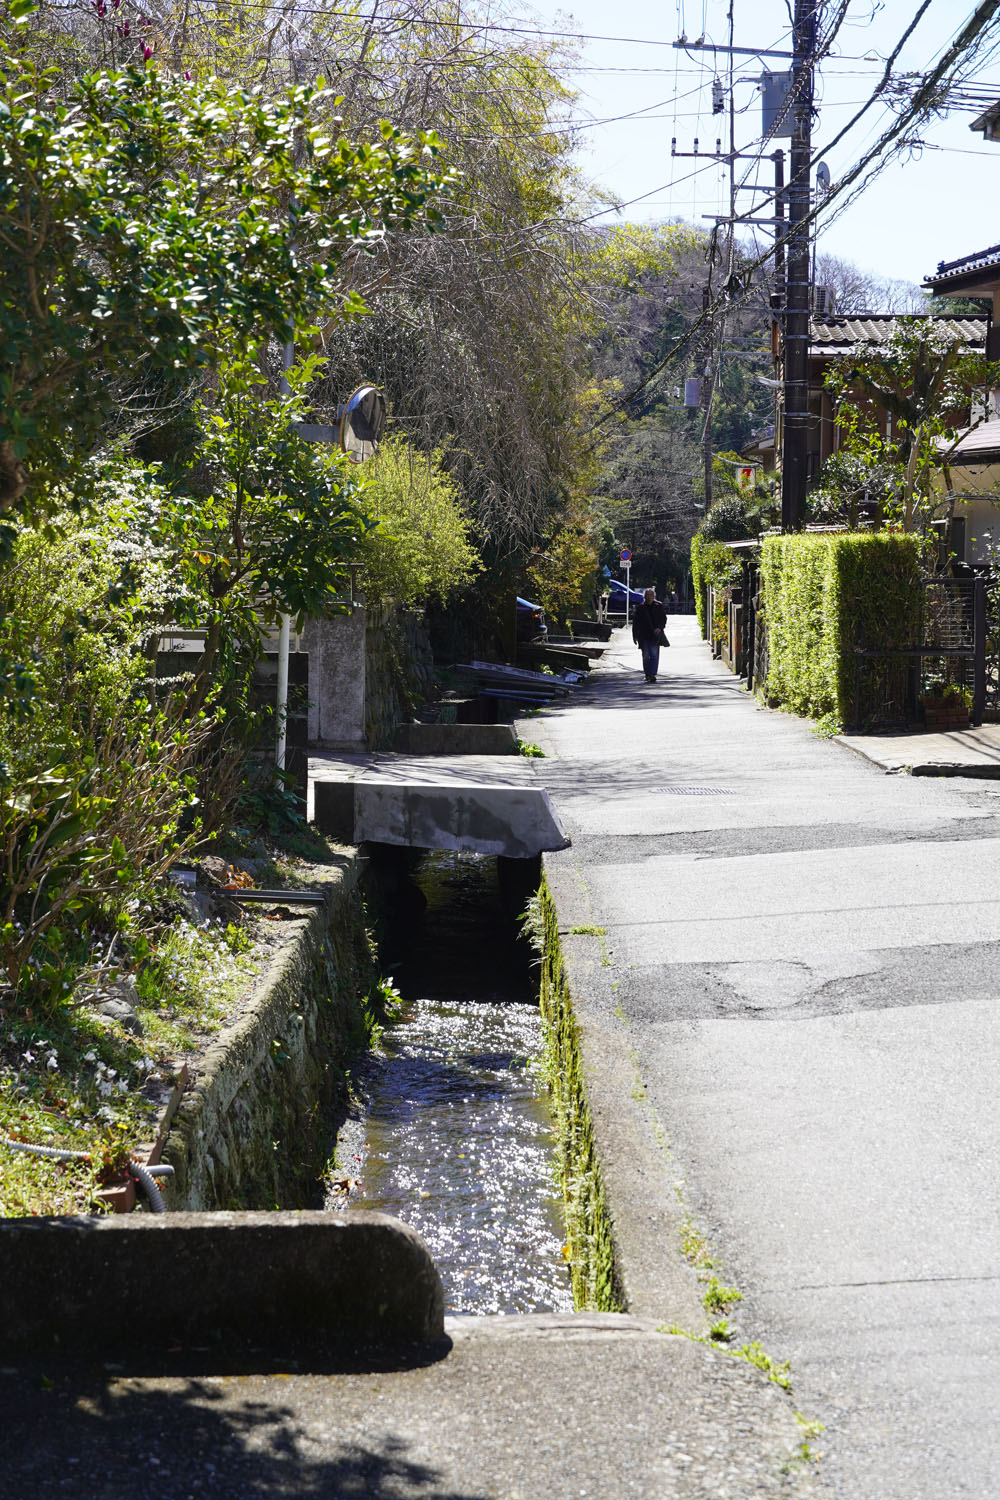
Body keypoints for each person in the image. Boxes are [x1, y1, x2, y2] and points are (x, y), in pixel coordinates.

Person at [631, 587, 668, 683]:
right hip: (643, 636)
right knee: (645, 656)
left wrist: (659, 628)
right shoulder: (640, 608)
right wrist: (634, 636)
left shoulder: (658, 606)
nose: (649, 597)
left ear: (654, 596)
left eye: (651, 595)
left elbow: (663, 619)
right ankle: (647, 674)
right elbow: (635, 623)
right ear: (644, 596)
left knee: (654, 655)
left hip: (654, 635)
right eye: (647, 595)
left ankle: (652, 674)